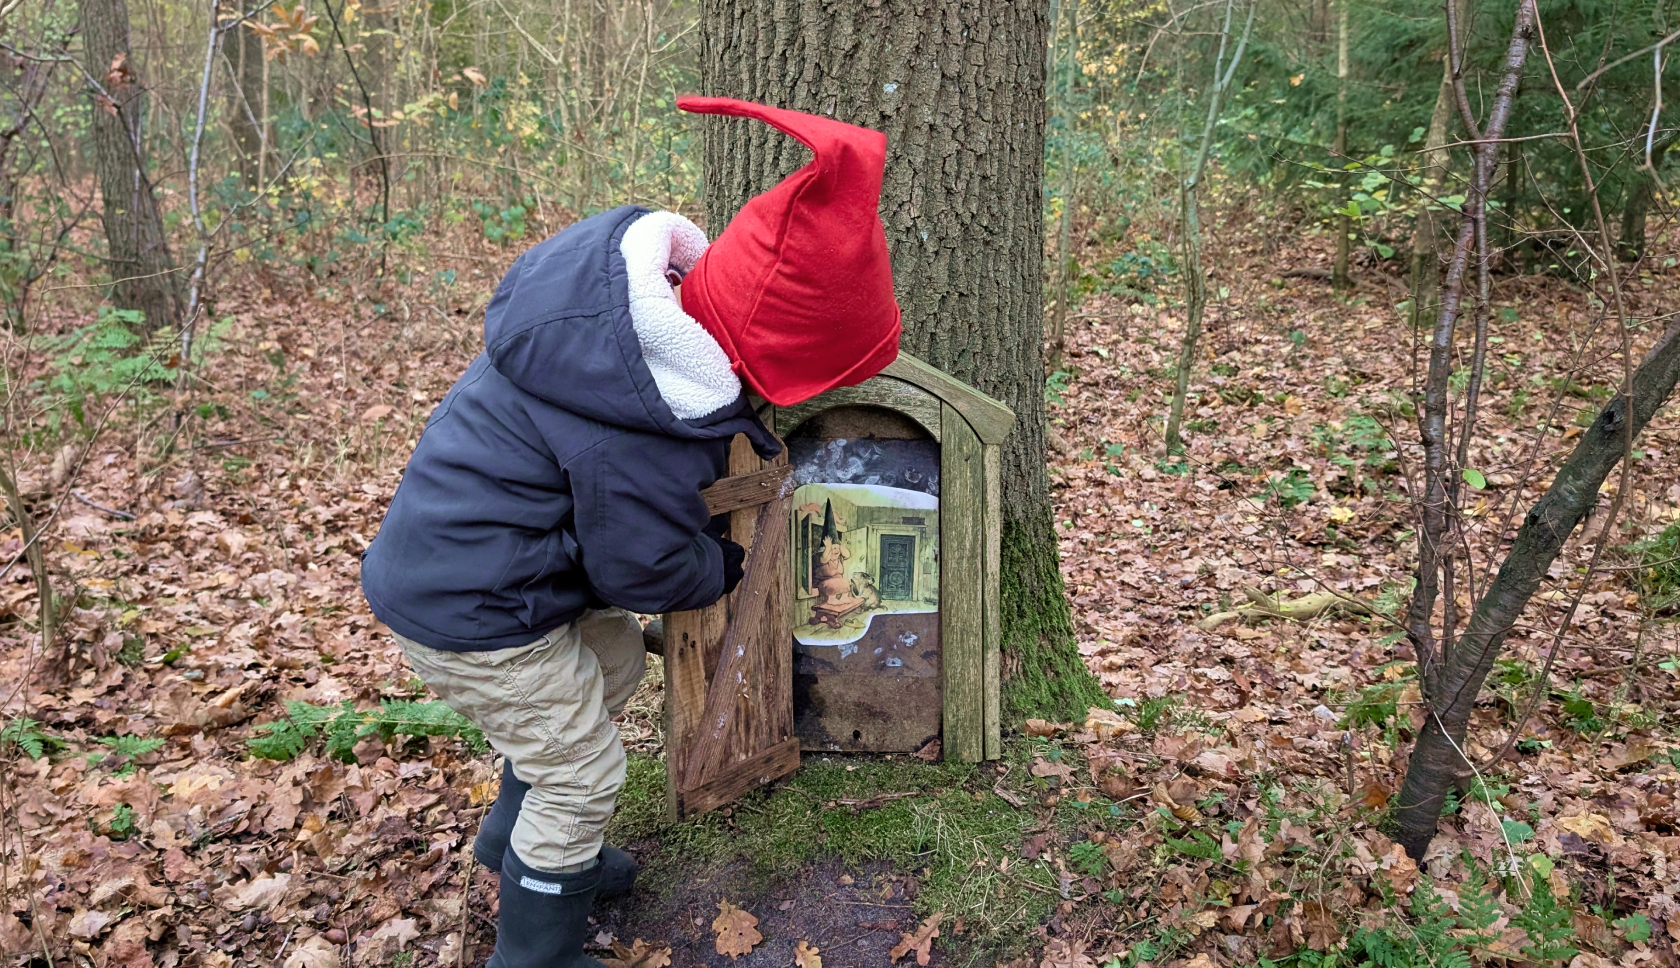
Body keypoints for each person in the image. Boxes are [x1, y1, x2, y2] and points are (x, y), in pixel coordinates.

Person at [359, 96, 901, 968]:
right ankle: (536, 951)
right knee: (582, 772)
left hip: (487, 570)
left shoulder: (610, 341)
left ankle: (524, 847)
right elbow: (641, 564)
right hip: (477, 610)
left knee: (608, 662)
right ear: (758, 360)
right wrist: (720, 565)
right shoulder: (637, 420)